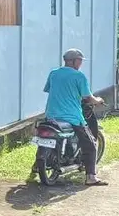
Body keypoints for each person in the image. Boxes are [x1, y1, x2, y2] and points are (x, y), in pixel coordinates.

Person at [43, 48, 107, 186]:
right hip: (72, 117)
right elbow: (88, 97)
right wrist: (99, 100)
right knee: (91, 144)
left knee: (46, 139)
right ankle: (91, 177)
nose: (81, 64)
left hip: (51, 115)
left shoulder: (53, 73)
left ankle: (37, 166)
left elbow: (49, 89)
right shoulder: (79, 76)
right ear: (73, 61)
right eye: (80, 61)